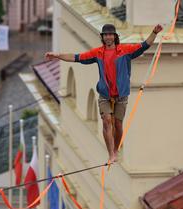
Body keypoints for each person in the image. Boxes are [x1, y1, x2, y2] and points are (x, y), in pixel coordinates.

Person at [45, 23, 163, 163]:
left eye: (110, 34)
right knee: (107, 121)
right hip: (105, 95)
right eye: (105, 35)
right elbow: (76, 57)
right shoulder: (98, 53)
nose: (108, 37)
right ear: (102, 37)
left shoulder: (125, 51)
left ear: (114, 36)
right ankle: (111, 154)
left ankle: (115, 149)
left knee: (118, 125)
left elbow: (145, 45)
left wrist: (154, 33)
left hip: (121, 95)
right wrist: (57, 55)